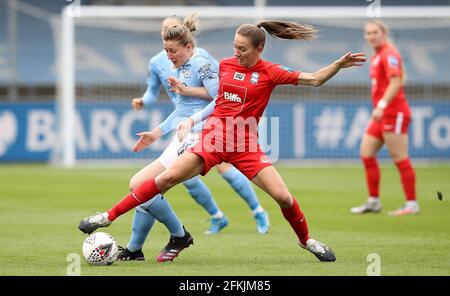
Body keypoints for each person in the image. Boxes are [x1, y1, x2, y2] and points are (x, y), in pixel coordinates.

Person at [79, 20, 366, 262]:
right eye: (234, 46)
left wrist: (338, 65)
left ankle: (307, 242)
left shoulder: (270, 72)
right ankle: (107, 217)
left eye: (242, 49)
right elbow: (217, 101)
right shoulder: (226, 66)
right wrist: (191, 119)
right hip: (213, 139)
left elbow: (315, 79)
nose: (236, 53)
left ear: (259, 49)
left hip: (245, 145)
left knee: (283, 197)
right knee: (165, 180)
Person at [130, 15, 269, 239]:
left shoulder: (200, 58)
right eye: (164, 33)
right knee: (158, 186)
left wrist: (187, 93)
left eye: (172, 29)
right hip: (184, 127)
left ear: (183, 34)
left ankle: (257, 211)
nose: (168, 49)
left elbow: (222, 91)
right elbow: (171, 101)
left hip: (207, 128)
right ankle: (212, 218)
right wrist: (154, 124)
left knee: (150, 186)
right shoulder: (162, 61)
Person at [351, 20, 419, 216]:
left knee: (400, 158)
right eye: (368, 33)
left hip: (393, 112)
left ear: (384, 33)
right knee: (366, 152)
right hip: (382, 114)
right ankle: (373, 201)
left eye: (374, 32)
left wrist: (381, 105)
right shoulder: (377, 56)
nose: (371, 36)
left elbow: (396, 81)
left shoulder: (389, 53)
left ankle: (412, 204)